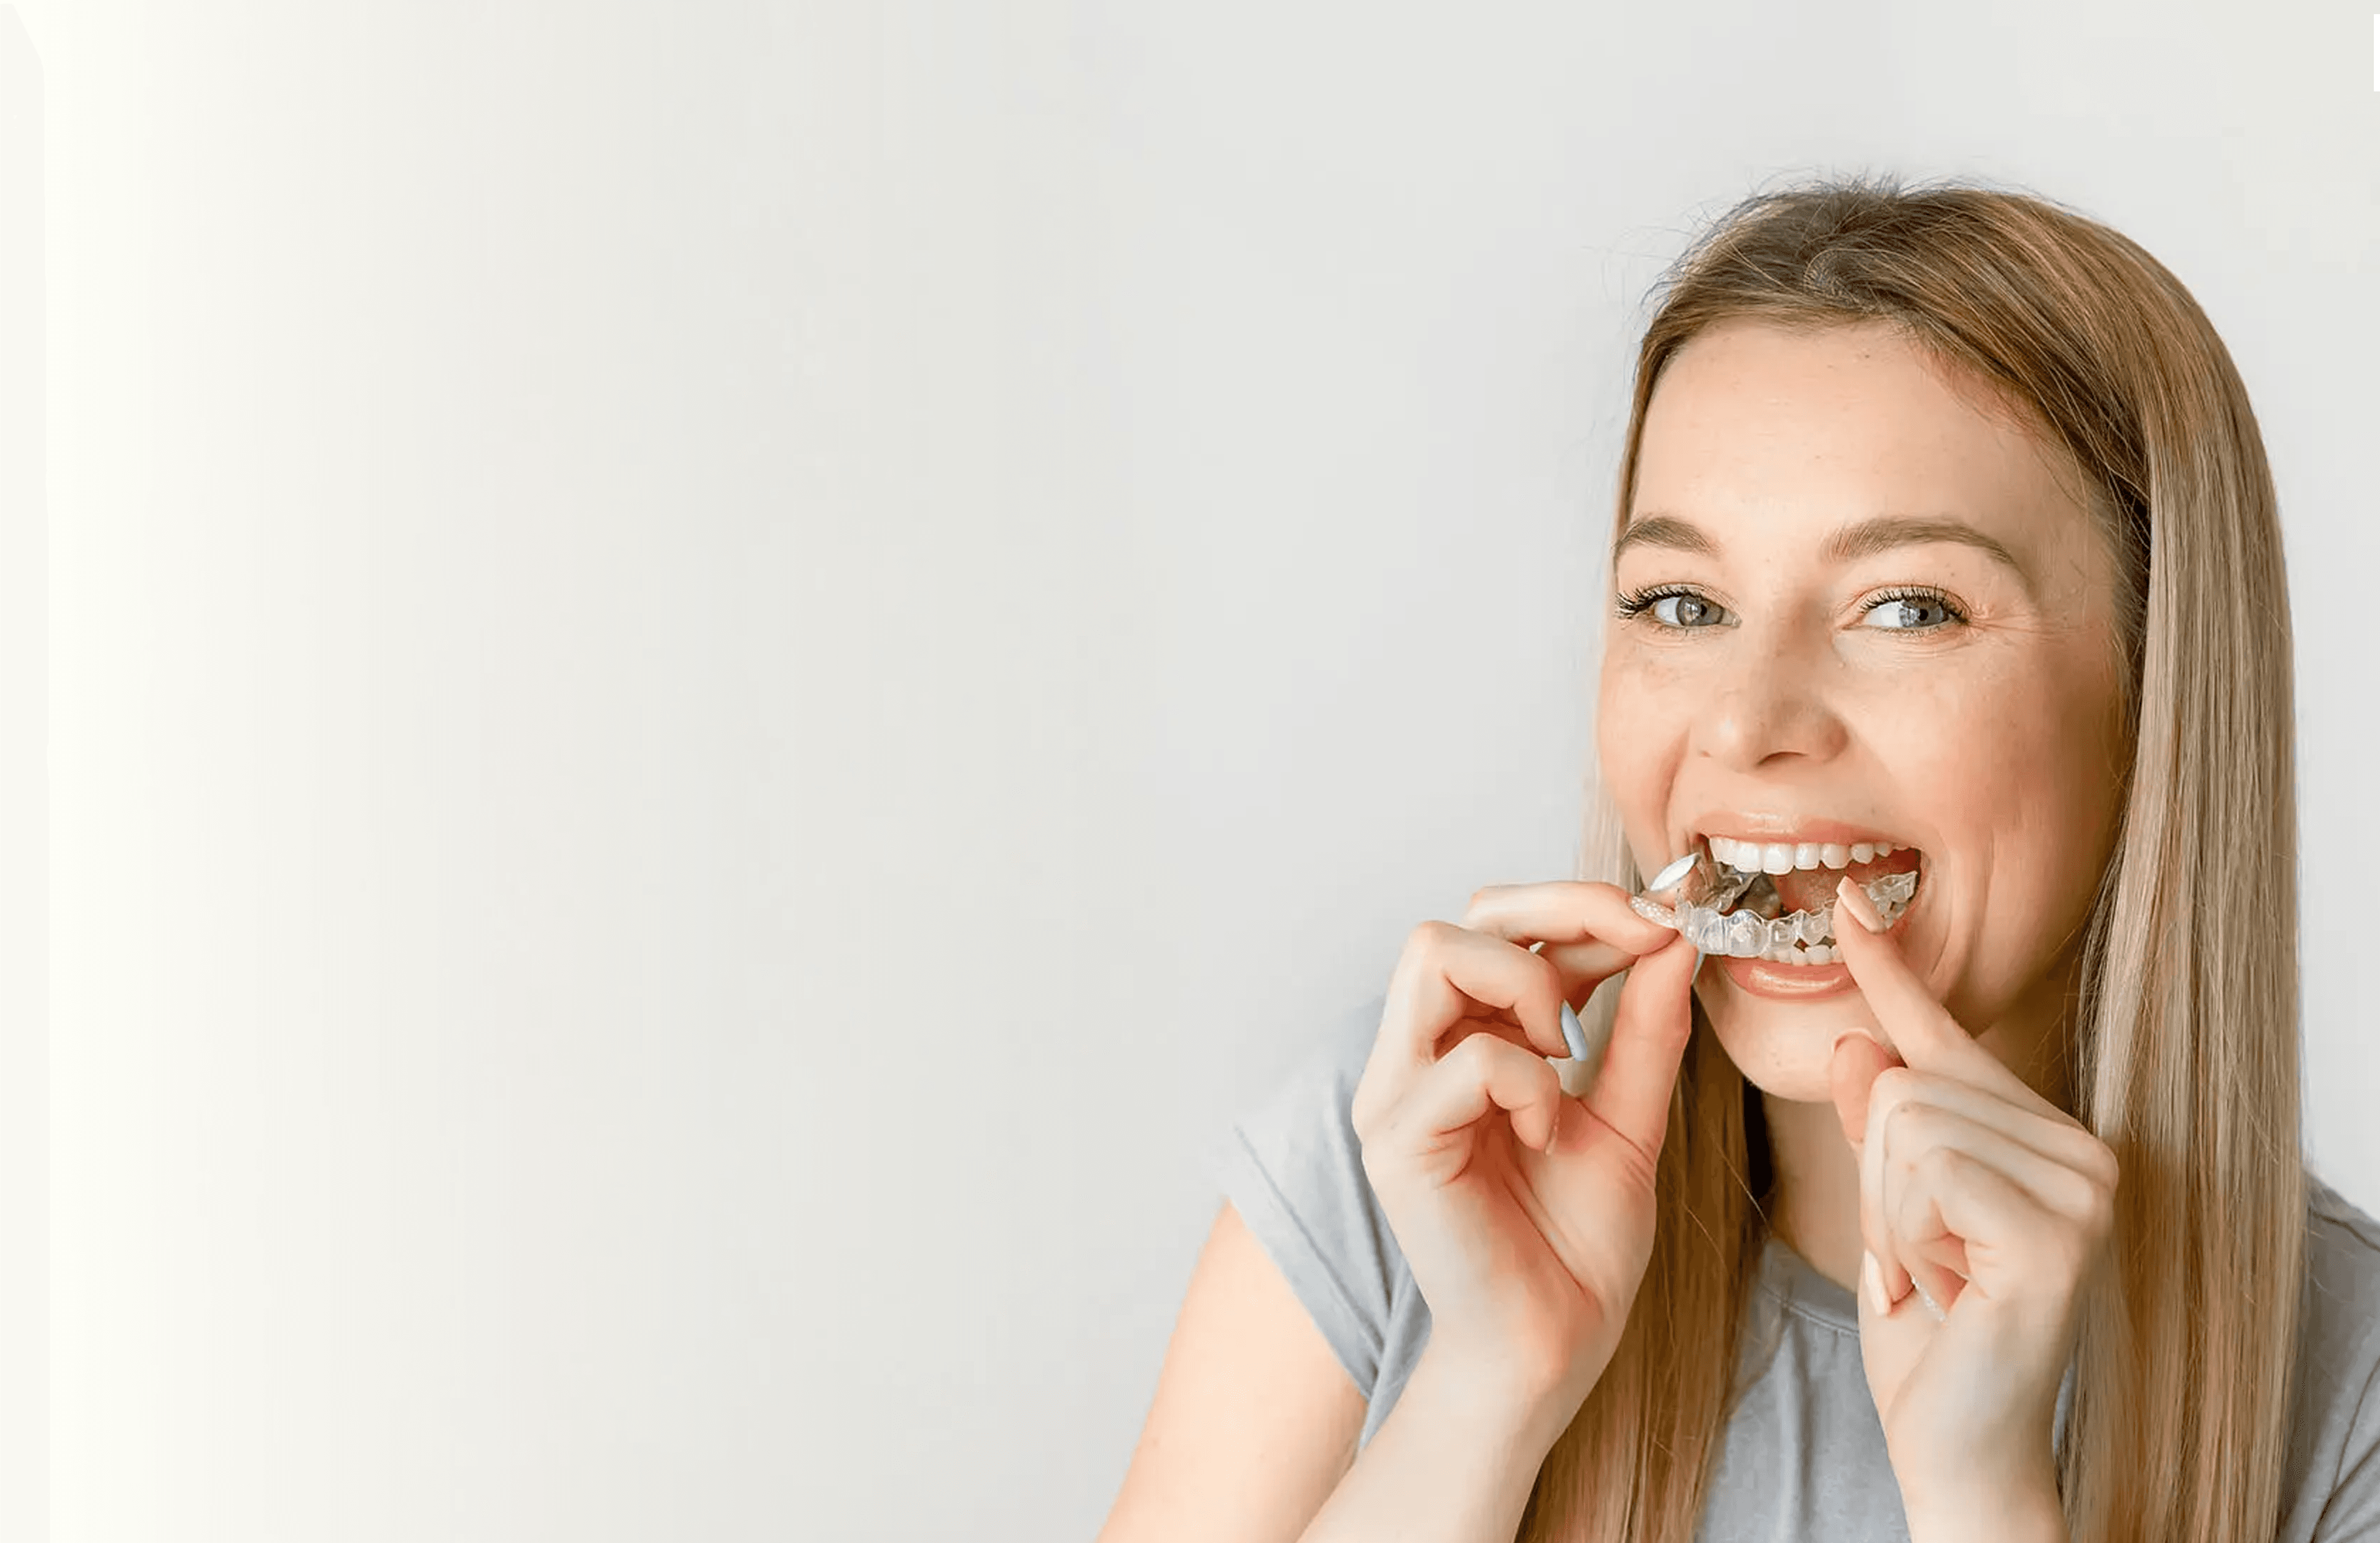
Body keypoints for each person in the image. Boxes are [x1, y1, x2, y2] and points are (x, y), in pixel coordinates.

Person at [1094, 175, 2380, 1543]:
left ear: (2153, 695)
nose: (1746, 721)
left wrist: (1986, 1501)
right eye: (1681, 602)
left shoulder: (2346, 1395)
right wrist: (1485, 1384)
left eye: (1904, 606)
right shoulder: (1405, 1166)